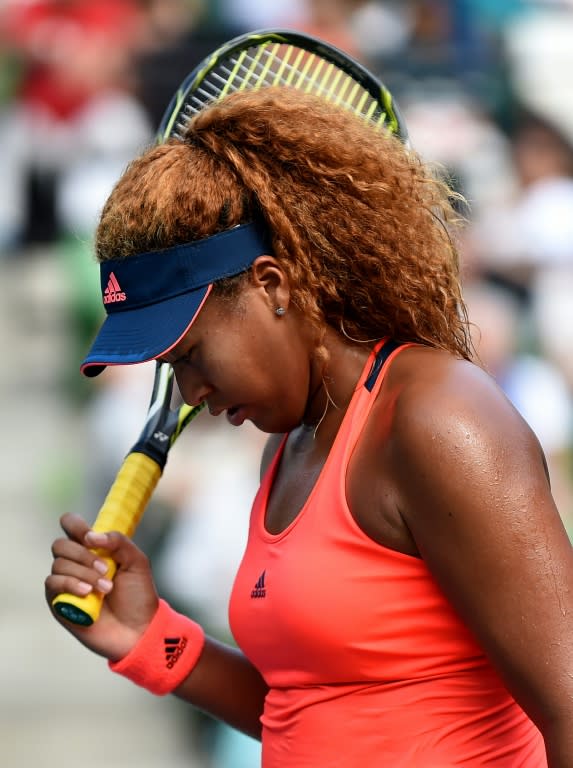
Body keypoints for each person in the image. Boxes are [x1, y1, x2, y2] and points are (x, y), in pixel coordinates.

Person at [45, 86, 573, 767]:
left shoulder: (436, 418)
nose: (190, 392)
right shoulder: (289, 444)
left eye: (191, 355)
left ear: (271, 284)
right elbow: (308, 709)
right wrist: (150, 635)